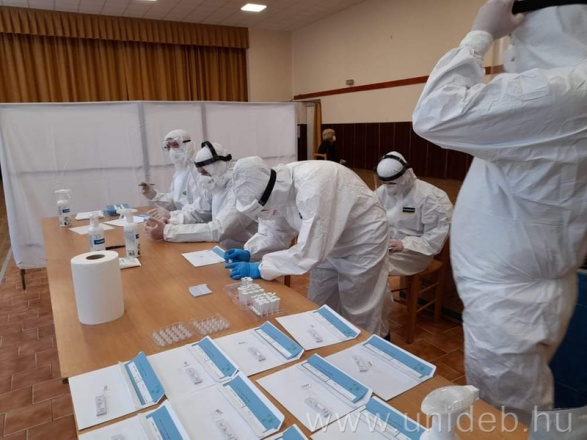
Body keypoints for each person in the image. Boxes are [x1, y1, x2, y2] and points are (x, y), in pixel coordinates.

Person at [412, 0, 587, 423]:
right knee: (511, 409)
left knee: (506, 417)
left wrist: (479, 36)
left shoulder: (567, 89)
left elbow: (434, 114)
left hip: (512, 304)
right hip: (517, 292)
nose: (513, 41)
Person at [224, 157, 391, 337]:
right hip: (327, 241)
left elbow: (308, 253)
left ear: (269, 194)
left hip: (362, 239)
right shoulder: (276, 188)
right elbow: (276, 231)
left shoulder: (312, 188)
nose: (263, 213)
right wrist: (251, 252)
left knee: (358, 308)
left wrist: (260, 268)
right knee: (320, 303)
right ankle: (332, 345)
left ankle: (374, 345)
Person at [144, 142, 257, 250]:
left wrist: (168, 231)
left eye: (205, 172)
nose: (203, 178)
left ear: (218, 166)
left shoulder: (240, 189)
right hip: (222, 248)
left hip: (245, 252)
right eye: (200, 173)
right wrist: (172, 221)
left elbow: (219, 229)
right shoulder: (216, 184)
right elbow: (197, 211)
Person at [375, 152, 453, 276]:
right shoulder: (382, 192)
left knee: (371, 265)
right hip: (387, 246)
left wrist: (404, 244)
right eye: (384, 183)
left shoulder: (429, 197)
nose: (388, 187)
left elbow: (435, 238)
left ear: (406, 175)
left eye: (392, 183)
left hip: (414, 253)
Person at [142, 129, 203, 219]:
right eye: (168, 147)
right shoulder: (178, 173)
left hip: (197, 223)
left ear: (187, 145)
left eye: (175, 145)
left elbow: (202, 208)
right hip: (181, 221)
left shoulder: (199, 171)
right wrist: (155, 195)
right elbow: (176, 203)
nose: (172, 150)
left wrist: (172, 215)